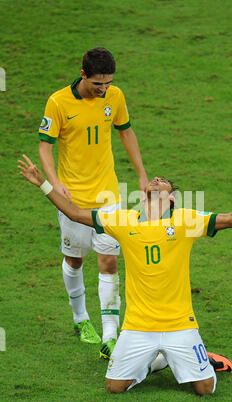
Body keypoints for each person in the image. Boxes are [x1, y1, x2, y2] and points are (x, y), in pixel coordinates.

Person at [18, 155, 232, 395]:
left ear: (171, 200)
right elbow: (73, 213)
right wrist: (42, 183)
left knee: (205, 389)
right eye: (154, 180)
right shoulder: (123, 221)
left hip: (180, 324)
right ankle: (157, 362)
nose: (156, 179)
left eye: (163, 182)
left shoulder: (185, 221)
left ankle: (199, 358)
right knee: (114, 388)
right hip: (137, 326)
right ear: (144, 195)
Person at [38, 47, 148, 357]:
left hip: (108, 197)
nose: (104, 90)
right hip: (73, 200)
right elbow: (45, 147)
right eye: (98, 84)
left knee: (110, 262)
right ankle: (80, 319)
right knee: (75, 260)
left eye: (109, 83)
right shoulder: (58, 102)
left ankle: (110, 337)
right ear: (83, 74)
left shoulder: (114, 97)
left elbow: (126, 132)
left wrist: (141, 173)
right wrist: (55, 182)